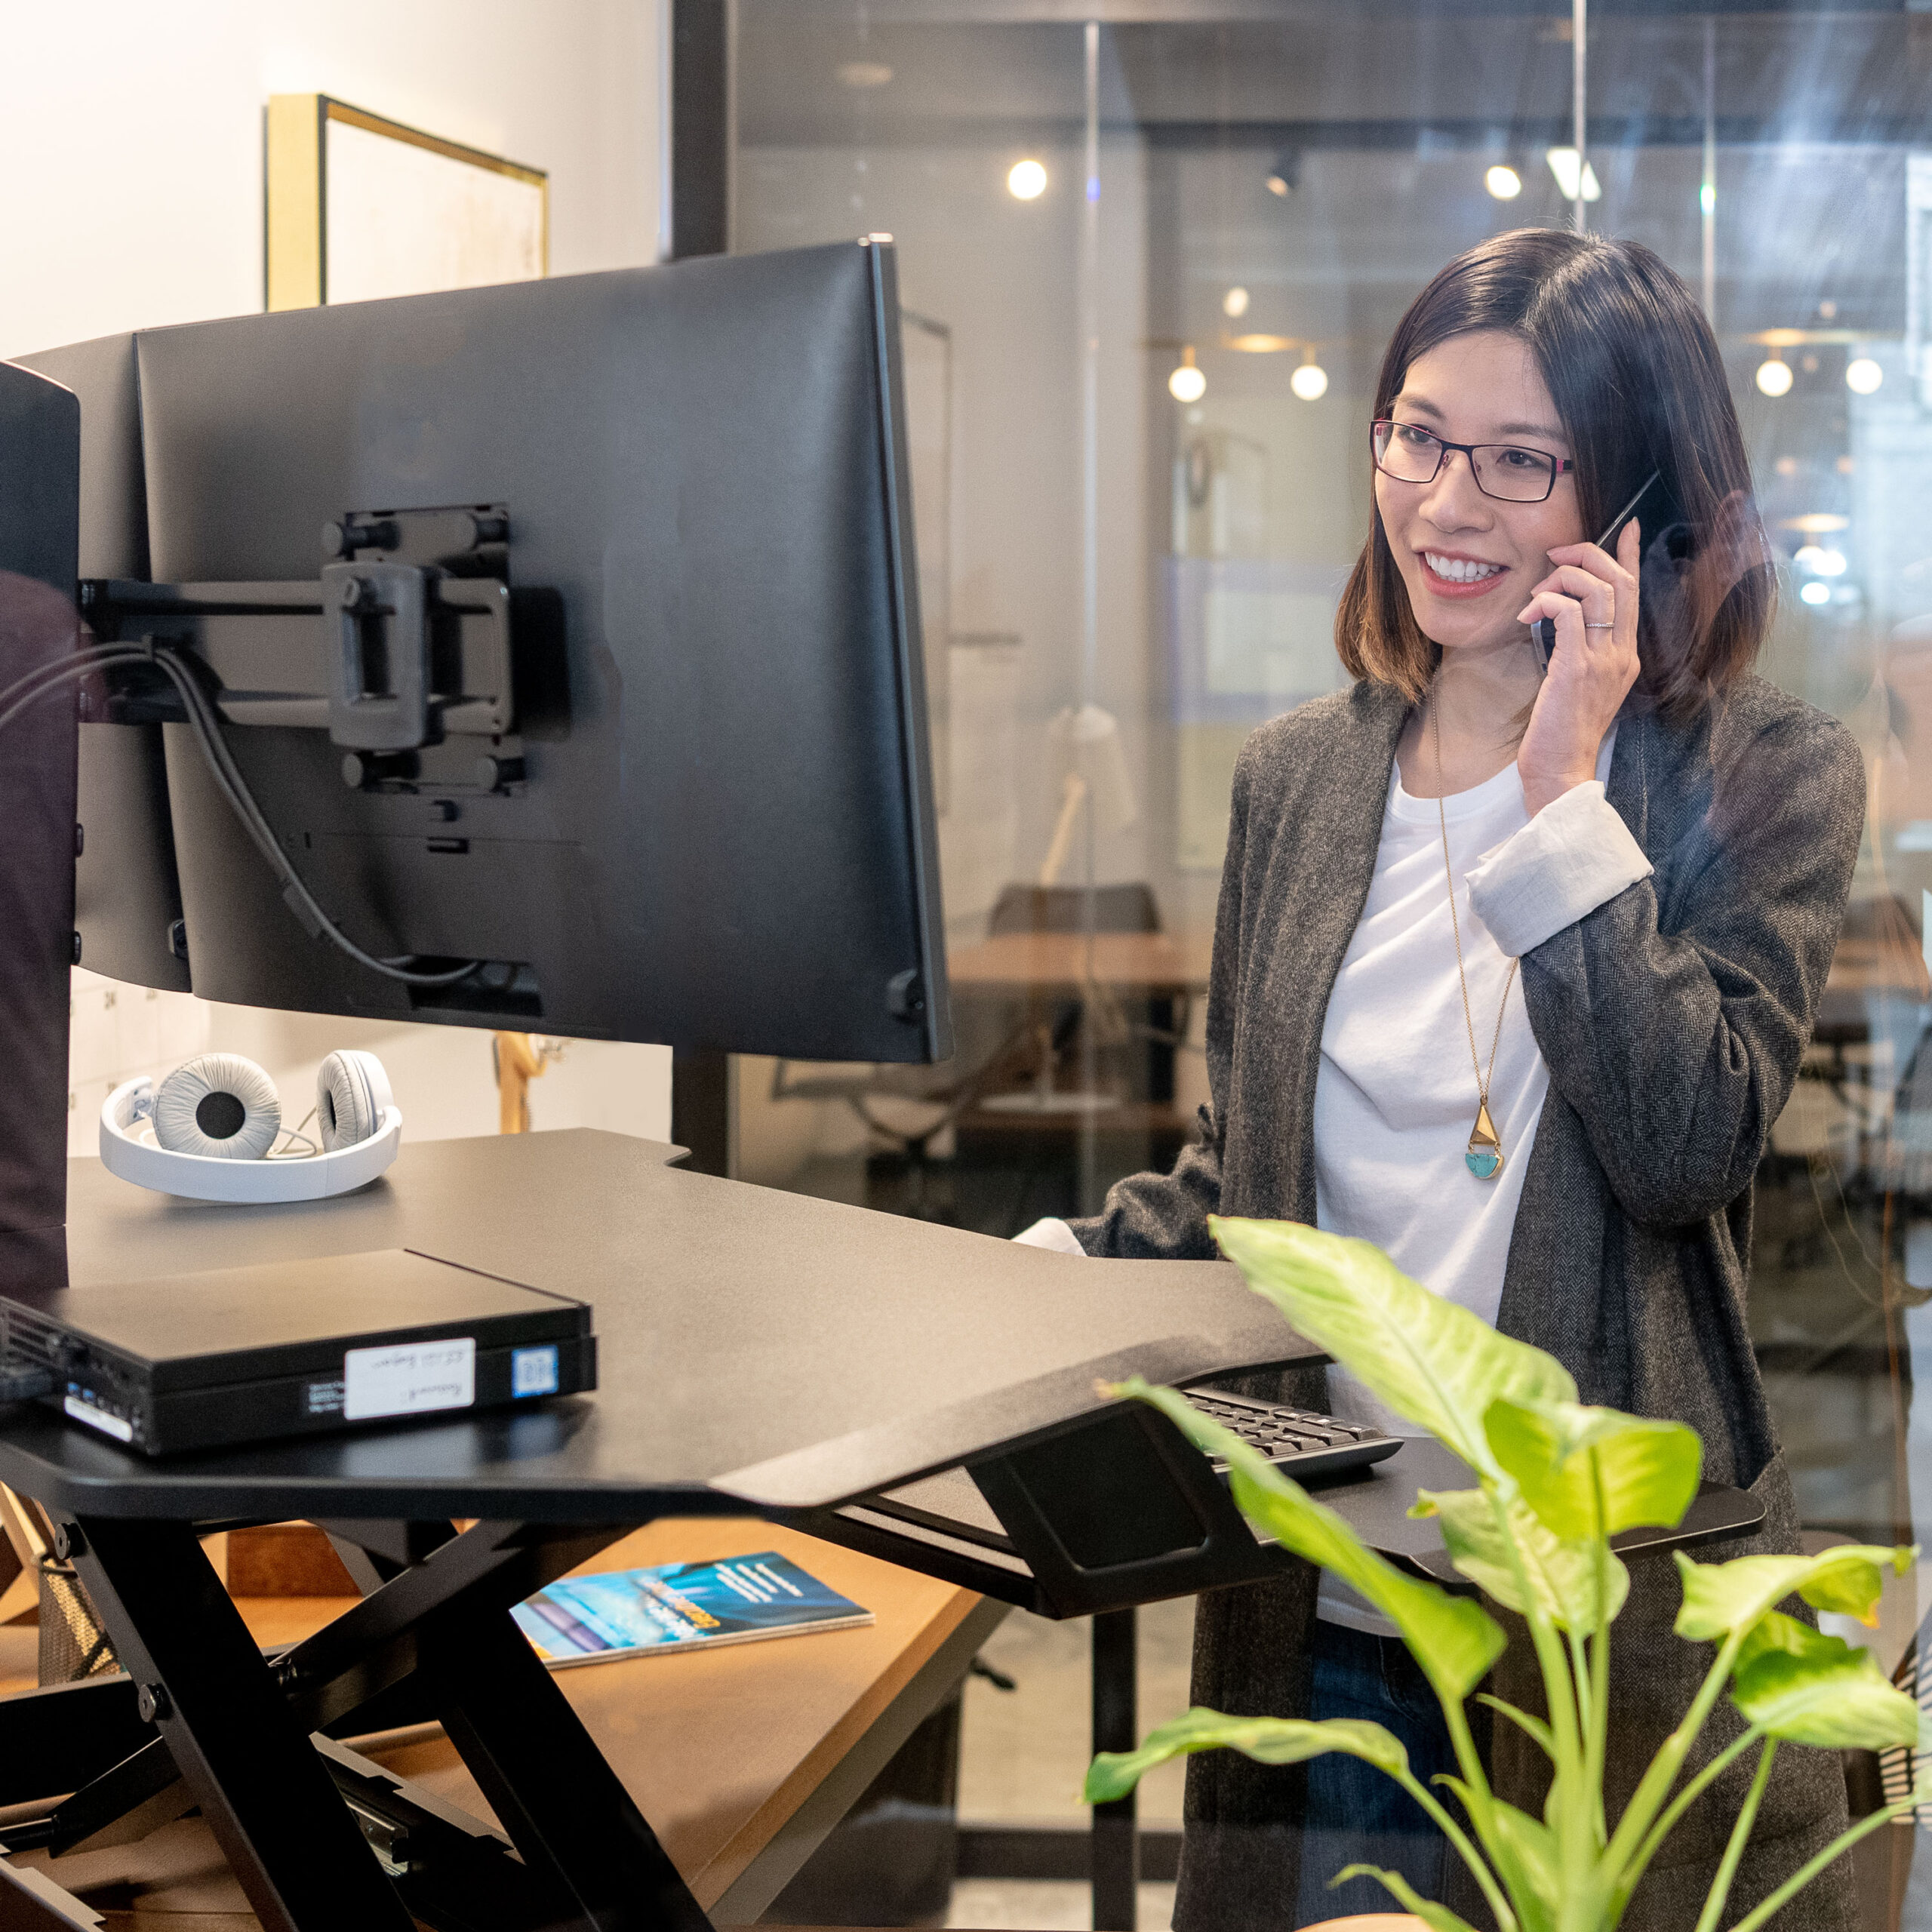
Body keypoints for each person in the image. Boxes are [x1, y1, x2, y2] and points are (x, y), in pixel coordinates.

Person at [1016, 228, 1863, 1932]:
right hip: (1317, 1603)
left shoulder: (1762, 776)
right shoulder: (1300, 778)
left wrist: (1560, 786)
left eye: (1518, 461)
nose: (1443, 502)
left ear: (1634, 507)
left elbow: (1682, 1142)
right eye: (1414, 434)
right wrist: (1014, 1281)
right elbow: (1243, 1179)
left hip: (1596, 1639)